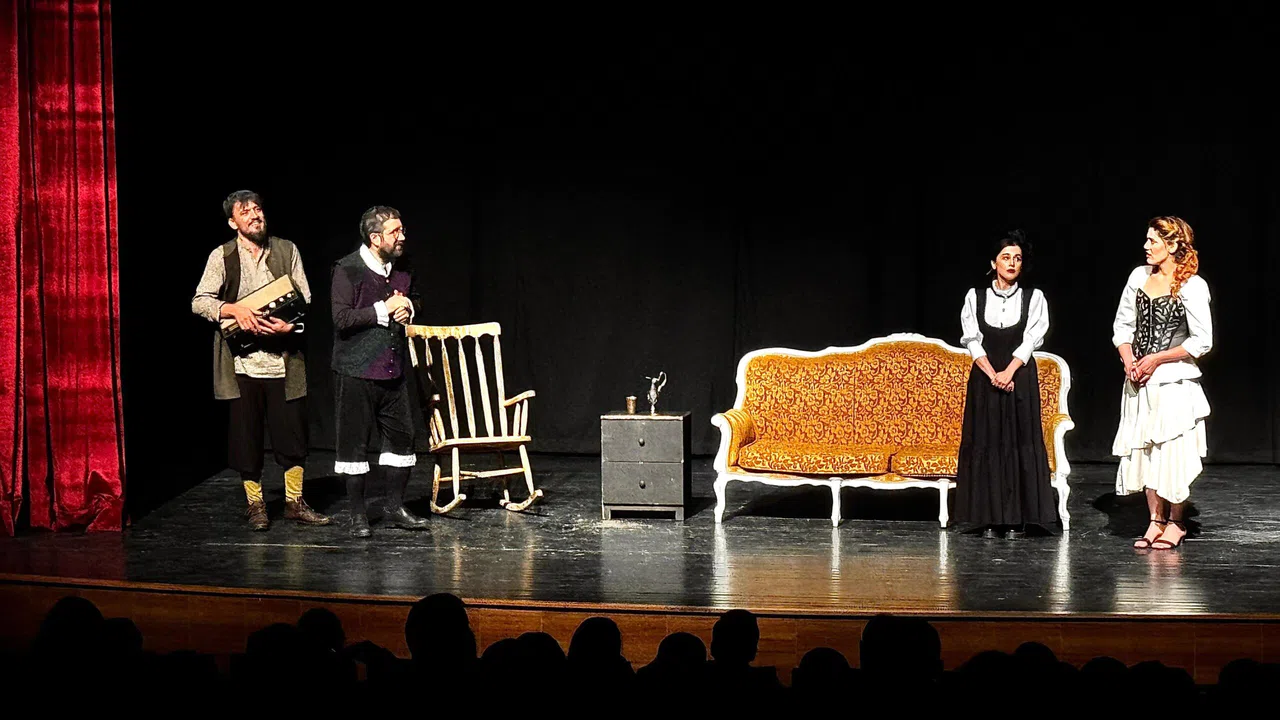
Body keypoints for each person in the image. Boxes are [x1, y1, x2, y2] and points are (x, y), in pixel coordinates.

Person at [192, 190, 330, 530]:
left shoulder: (286, 249)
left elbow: (304, 298)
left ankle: (294, 502)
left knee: (292, 438)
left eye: (257, 209)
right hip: (241, 365)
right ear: (233, 222)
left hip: (284, 362)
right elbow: (199, 301)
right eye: (246, 212)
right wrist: (232, 309)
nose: (255, 215)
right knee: (247, 440)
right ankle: (255, 505)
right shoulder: (222, 255)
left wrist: (290, 326)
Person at [1113, 216, 1211, 550]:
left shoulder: (1192, 285)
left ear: (1172, 245)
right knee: (1146, 451)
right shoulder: (1138, 277)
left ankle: (1176, 522)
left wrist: (1157, 359)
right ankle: (1155, 520)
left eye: (1153, 240)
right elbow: (1123, 325)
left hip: (1174, 381)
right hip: (1139, 381)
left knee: (1172, 452)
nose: (1146, 246)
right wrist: (1130, 360)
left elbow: (1202, 340)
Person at [331, 205, 428, 538]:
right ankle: (358, 515)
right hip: (355, 371)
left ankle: (394, 506)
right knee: (354, 445)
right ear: (375, 238)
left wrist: (408, 309)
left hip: (392, 369)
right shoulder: (347, 269)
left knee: (403, 439)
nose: (402, 237)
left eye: (402, 230)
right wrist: (383, 309)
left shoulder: (403, 267)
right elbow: (341, 319)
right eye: (394, 232)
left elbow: (416, 298)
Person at [954, 230, 1057, 539]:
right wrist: (992, 375)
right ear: (993, 263)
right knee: (987, 442)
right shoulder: (974, 296)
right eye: (1006, 257)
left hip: (1019, 376)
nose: (1012, 263)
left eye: (1018, 259)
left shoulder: (1034, 298)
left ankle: (1016, 518)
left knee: (1017, 442)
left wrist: (1009, 372)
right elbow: (972, 340)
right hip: (985, 378)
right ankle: (987, 517)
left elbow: (1031, 339)